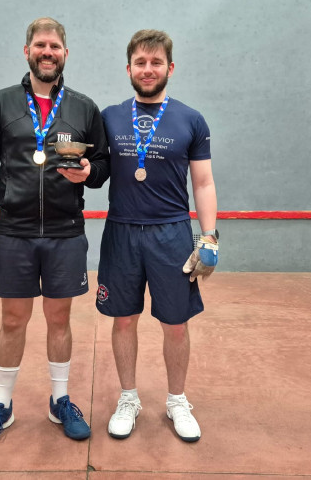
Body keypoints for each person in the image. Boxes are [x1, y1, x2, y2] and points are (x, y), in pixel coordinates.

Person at [0, 17, 110, 450]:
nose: (48, 52)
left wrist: (89, 172)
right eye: (40, 45)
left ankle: (60, 400)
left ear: (66, 53)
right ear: (27, 51)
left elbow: (103, 164)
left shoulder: (83, 107)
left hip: (66, 232)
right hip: (15, 232)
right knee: (13, 320)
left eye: (55, 46)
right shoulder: (1, 103)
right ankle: (2, 404)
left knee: (59, 319)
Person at [96, 29, 218, 443]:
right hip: (121, 232)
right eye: (140, 63)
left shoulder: (191, 119)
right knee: (123, 320)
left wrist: (209, 237)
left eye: (156, 62)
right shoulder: (110, 117)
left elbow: (203, 183)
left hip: (172, 234)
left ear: (170, 67)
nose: (148, 70)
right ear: (128, 68)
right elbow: (96, 170)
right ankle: (128, 399)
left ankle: (177, 400)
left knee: (176, 324)